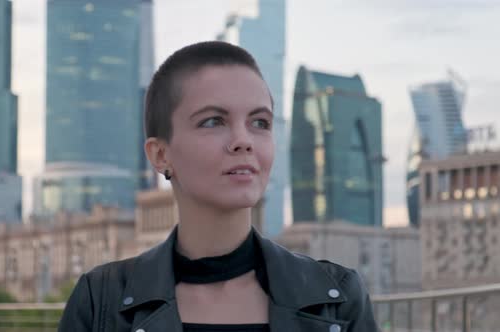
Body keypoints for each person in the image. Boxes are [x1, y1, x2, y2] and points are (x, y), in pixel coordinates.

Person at [58, 41, 378, 332]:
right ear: (160, 154)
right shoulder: (101, 302)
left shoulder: (338, 298)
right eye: (213, 121)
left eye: (260, 123)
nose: (243, 141)